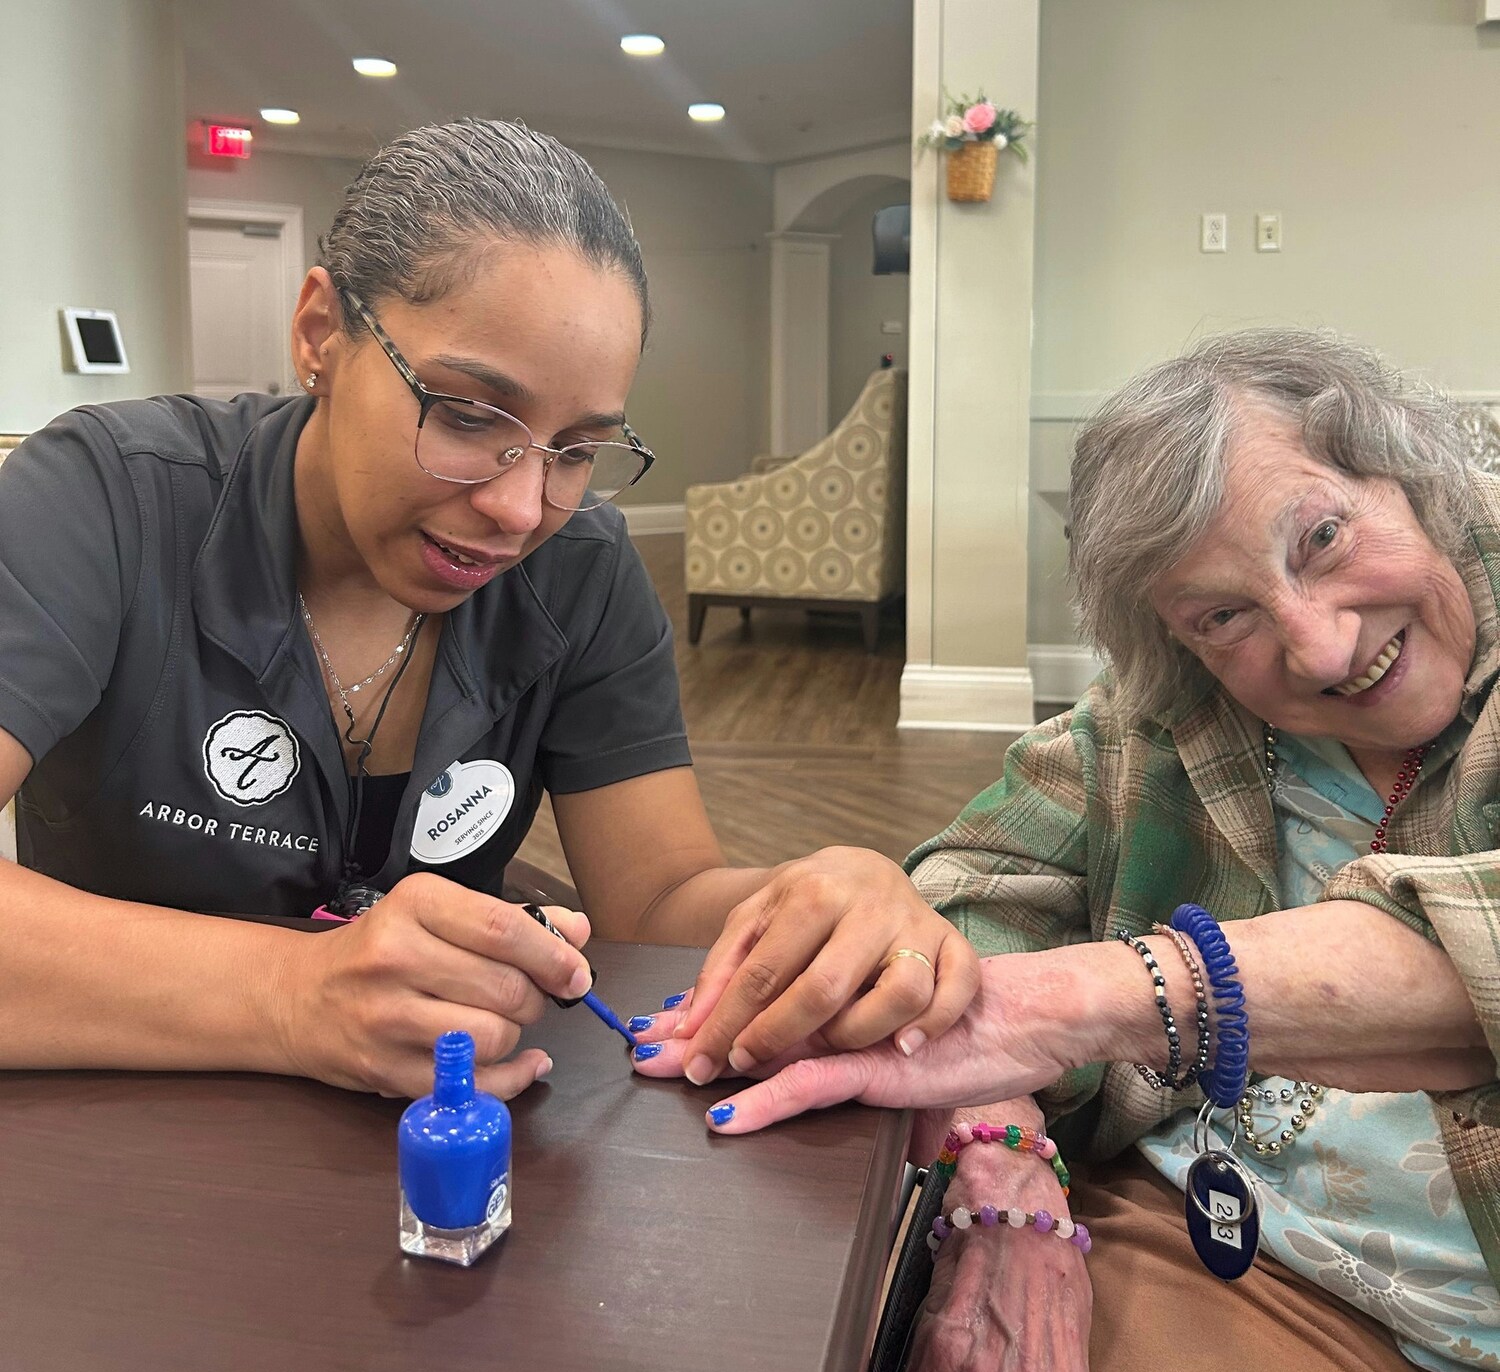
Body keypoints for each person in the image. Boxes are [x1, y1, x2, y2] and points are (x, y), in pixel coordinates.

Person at [633, 328, 1500, 1372]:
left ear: (1410, 470)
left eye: (1326, 538)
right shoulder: (1162, 718)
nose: (1320, 643)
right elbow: (967, 893)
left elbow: (1470, 946)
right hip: (1229, 1239)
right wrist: (1004, 1151)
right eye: (1223, 616)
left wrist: (1068, 1007)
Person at [0, 118, 975, 1100]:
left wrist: (817, 904)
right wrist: (298, 994)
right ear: (320, 335)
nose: (521, 510)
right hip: (105, 1135)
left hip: (442, 1174)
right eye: (467, 415)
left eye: (578, 449)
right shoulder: (104, 498)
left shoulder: (581, 573)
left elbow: (659, 900)